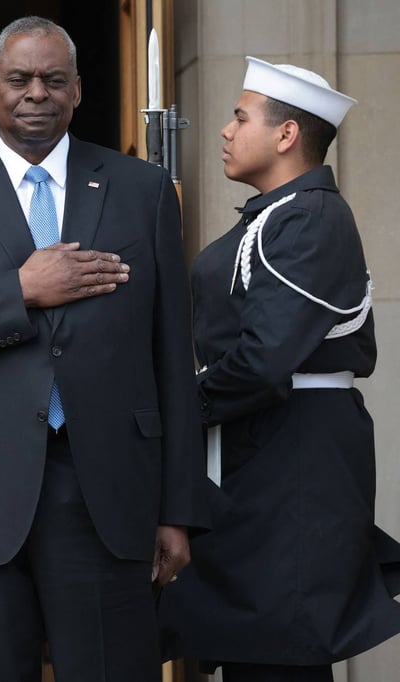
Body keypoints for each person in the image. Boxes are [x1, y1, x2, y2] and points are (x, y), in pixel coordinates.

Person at [0, 16, 209, 682]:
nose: (36, 94)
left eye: (54, 80)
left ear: (78, 90)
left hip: (107, 493)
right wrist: (18, 291)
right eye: (19, 79)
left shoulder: (140, 191)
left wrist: (179, 510)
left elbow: (172, 359)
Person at [157, 57, 400, 681]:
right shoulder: (279, 213)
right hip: (267, 451)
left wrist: (181, 408)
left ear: (287, 134)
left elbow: (263, 360)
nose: (226, 130)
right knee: (258, 647)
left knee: (278, 648)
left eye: (241, 118)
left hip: (293, 458)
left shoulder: (308, 216)